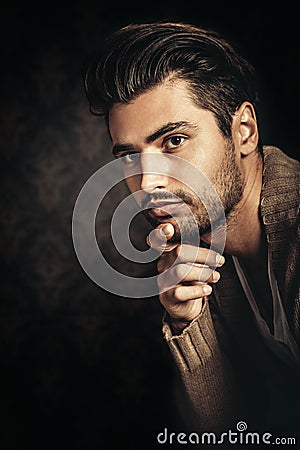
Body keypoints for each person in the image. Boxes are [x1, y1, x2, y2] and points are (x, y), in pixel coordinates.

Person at [83, 22, 300, 436]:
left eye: (174, 141)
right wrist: (186, 322)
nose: (148, 183)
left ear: (244, 132)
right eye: (130, 157)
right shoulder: (197, 254)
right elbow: (226, 431)